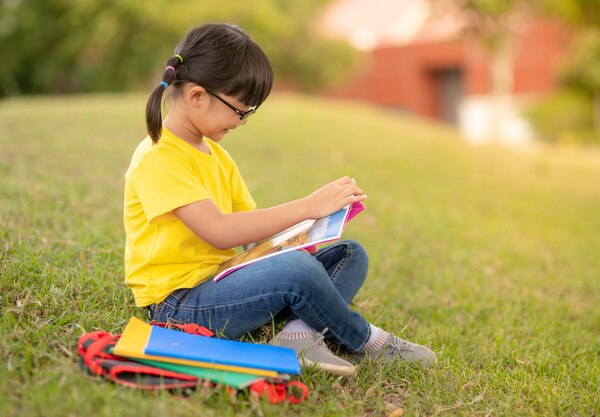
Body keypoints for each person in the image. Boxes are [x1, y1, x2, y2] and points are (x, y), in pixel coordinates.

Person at [124, 23, 436, 377]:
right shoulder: (159, 156)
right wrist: (307, 206)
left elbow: (251, 232)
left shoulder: (215, 155)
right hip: (178, 305)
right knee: (298, 273)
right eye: (240, 111)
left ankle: (296, 334)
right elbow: (220, 231)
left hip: (223, 279)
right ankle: (365, 339)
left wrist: (296, 240)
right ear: (198, 96)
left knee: (349, 254)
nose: (242, 122)